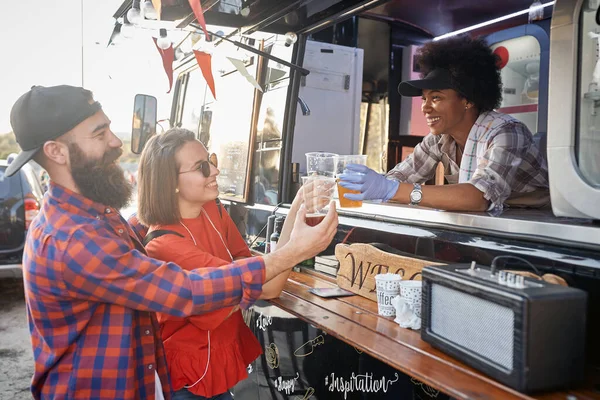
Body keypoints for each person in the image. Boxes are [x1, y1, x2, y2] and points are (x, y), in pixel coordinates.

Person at [6, 85, 338, 400]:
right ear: (55, 151)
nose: (115, 143)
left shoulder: (96, 215)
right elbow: (186, 291)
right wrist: (295, 250)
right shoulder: (74, 238)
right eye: (99, 133)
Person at [136, 128, 303, 399]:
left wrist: (299, 206)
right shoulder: (164, 245)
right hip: (189, 380)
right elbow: (267, 285)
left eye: (211, 160)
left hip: (213, 364)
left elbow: (255, 271)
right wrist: (299, 245)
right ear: (171, 183)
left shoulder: (213, 210)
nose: (214, 170)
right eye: (202, 167)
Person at [339, 35, 549, 214]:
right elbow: (400, 177)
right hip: (492, 225)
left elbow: (478, 197)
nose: (425, 108)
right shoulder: (438, 140)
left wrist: (391, 189)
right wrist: (367, 184)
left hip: (537, 228)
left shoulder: (507, 132)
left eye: (436, 97)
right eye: (424, 99)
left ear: (468, 100)